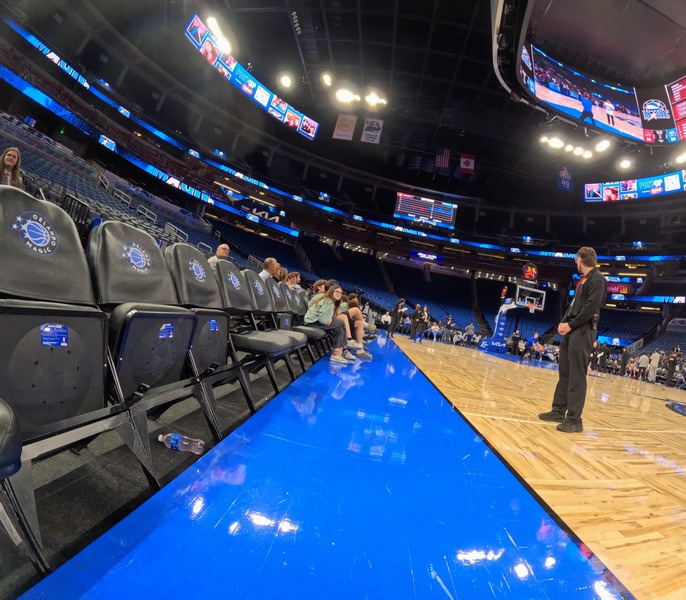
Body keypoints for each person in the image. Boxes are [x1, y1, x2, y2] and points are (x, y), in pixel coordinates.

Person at [539, 247, 607, 433]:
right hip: (572, 329)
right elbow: (574, 305)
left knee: (577, 376)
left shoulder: (598, 278)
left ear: (582, 259)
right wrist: (563, 323)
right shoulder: (583, 279)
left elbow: (591, 308)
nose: (576, 262)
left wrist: (571, 325)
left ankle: (575, 419)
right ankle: (558, 410)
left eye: (577, 259)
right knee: (565, 373)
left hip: (583, 330)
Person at [304, 285, 350, 366]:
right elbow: (323, 320)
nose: (339, 294)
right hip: (312, 323)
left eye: (340, 292)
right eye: (337, 291)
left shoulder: (329, 300)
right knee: (340, 322)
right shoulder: (328, 301)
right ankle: (342, 350)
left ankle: (339, 351)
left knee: (339, 327)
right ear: (331, 292)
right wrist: (329, 320)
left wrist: (330, 319)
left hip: (313, 322)